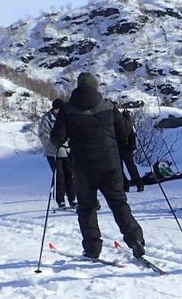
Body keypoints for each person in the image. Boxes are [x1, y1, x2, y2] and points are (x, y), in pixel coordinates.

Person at [50, 72, 145, 259]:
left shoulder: (68, 110)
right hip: (110, 164)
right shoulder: (108, 106)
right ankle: (136, 240)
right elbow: (124, 131)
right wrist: (127, 118)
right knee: (118, 203)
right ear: (95, 87)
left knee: (87, 208)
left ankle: (92, 249)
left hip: (83, 166)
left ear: (78, 87)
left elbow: (56, 139)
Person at [37, 98, 76, 209]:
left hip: (67, 151)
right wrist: (54, 145)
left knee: (70, 175)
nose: (59, 112)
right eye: (57, 109)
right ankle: (60, 200)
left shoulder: (66, 117)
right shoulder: (46, 119)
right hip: (53, 152)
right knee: (59, 177)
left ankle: (72, 198)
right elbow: (44, 136)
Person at [118, 107, 144, 192]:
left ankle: (125, 185)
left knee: (120, 168)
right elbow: (132, 136)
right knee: (131, 167)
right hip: (127, 148)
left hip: (119, 148)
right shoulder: (129, 125)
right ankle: (138, 184)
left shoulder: (117, 122)